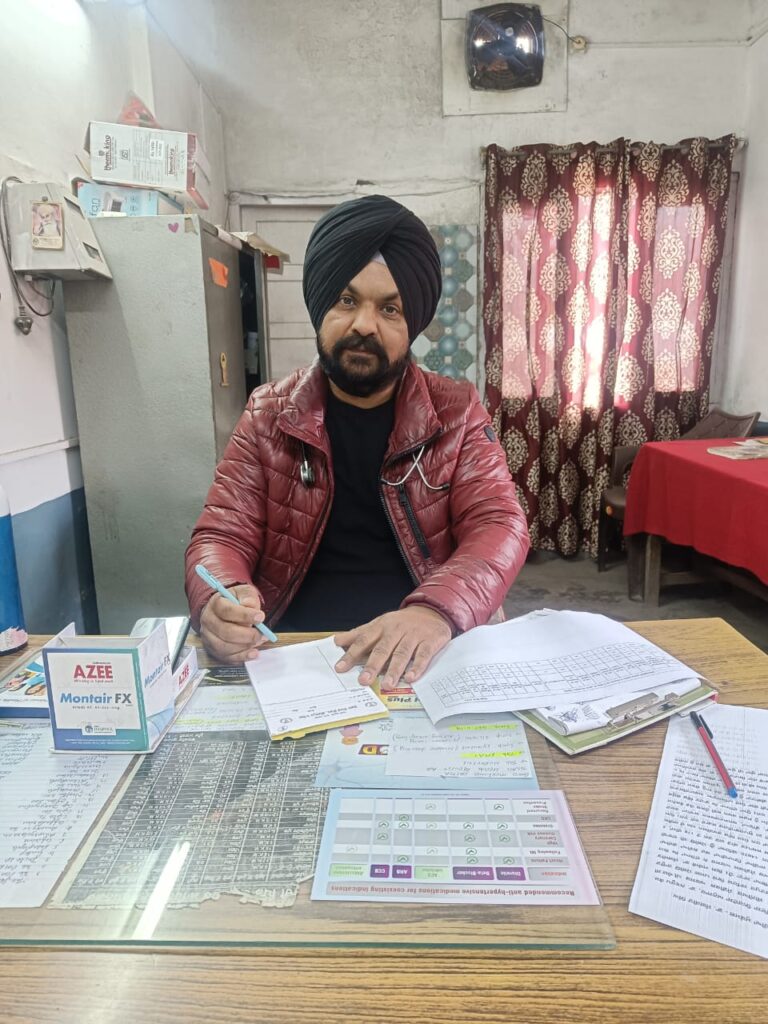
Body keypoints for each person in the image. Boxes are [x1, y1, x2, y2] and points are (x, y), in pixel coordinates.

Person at [185, 195, 529, 685]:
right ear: (321, 305)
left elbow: (500, 525)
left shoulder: (456, 412)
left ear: (412, 324)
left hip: (426, 650)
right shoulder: (268, 414)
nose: (365, 324)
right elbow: (220, 536)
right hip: (293, 654)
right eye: (347, 301)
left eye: (390, 308)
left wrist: (436, 610)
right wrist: (221, 598)